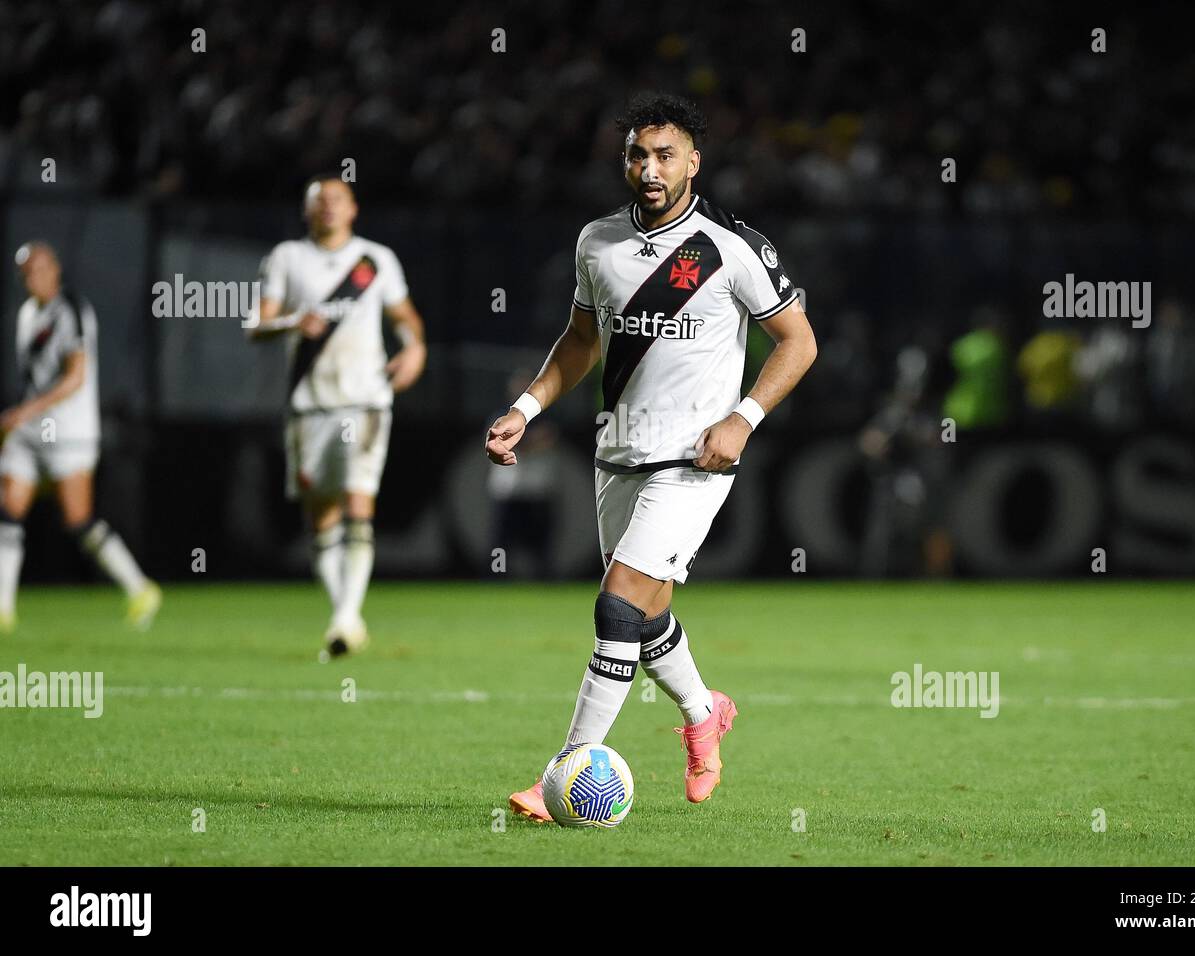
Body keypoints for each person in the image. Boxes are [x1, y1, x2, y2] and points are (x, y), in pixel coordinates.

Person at [485, 93, 818, 820]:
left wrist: (745, 418)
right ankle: (704, 714)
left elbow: (800, 341)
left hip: (695, 462)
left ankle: (561, 776)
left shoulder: (731, 247)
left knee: (616, 604)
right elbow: (579, 342)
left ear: (694, 162)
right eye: (638, 154)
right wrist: (526, 408)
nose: (650, 167)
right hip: (618, 454)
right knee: (649, 616)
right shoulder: (597, 241)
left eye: (665, 154)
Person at [251, 176, 426, 657]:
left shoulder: (376, 259)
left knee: (357, 504)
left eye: (337, 199)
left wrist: (413, 350)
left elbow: (406, 319)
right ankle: (345, 616)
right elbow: (255, 324)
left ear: (353, 208)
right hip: (308, 405)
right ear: (306, 210)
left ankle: (346, 620)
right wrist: (290, 321)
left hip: (365, 398)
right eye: (319, 200)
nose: (328, 207)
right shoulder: (287, 257)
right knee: (320, 517)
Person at [0, 241, 161, 633]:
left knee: (77, 520)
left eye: (39, 268)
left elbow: (76, 377)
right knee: (7, 512)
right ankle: (2, 609)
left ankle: (141, 588)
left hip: (69, 432)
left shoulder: (70, 310)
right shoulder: (26, 314)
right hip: (28, 433)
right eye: (25, 271)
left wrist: (24, 411)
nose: (32, 277)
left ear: (55, 269)